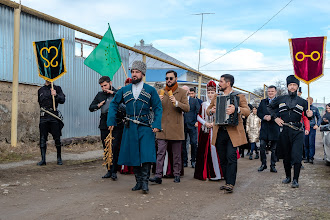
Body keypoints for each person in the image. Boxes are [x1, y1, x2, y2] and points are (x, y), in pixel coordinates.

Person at [107, 61, 162, 194]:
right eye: (132, 72)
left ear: (143, 73)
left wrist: (156, 124)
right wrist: (111, 121)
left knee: (146, 154)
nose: (134, 74)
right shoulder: (124, 90)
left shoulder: (151, 90)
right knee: (133, 154)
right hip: (130, 126)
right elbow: (114, 104)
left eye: (137, 72)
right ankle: (138, 182)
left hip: (145, 126)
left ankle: (145, 182)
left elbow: (157, 108)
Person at [206, 74, 250, 193]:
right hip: (220, 131)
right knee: (222, 158)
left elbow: (247, 111)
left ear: (228, 83)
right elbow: (208, 110)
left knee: (231, 157)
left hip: (233, 131)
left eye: (220, 82)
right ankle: (227, 181)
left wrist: (236, 109)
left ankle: (231, 183)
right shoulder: (217, 96)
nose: (218, 84)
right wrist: (212, 111)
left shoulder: (239, 96)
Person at [268, 75, 313, 188]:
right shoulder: (280, 99)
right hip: (285, 131)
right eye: (290, 85)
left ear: (297, 86)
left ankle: (295, 180)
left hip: (297, 131)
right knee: (286, 155)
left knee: (297, 156)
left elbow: (308, 116)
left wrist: (310, 115)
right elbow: (269, 107)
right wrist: (275, 118)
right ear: (287, 86)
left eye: (294, 85)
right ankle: (288, 177)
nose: (292, 87)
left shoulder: (303, 102)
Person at [149, 70, 189, 184]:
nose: (168, 80)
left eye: (171, 78)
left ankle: (177, 175)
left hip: (176, 128)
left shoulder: (181, 92)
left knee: (176, 154)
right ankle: (158, 176)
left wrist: (177, 103)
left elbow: (187, 108)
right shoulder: (160, 92)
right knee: (160, 153)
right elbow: (153, 109)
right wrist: (156, 102)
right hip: (162, 127)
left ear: (176, 79)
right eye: (167, 78)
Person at [89, 76, 125, 180]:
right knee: (106, 148)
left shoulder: (117, 92)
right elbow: (91, 107)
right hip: (104, 124)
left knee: (114, 148)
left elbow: (124, 100)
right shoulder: (100, 95)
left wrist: (113, 93)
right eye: (102, 86)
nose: (104, 88)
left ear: (110, 83)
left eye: (105, 85)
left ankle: (114, 171)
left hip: (117, 123)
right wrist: (98, 105)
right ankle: (108, 170)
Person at [194, 80, 222, 181]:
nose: (210, 95)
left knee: (216, 151)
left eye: (212, 92)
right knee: (204, 152)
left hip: (216, 130)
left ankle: (218, 173)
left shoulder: (220, 104)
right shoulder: (204, 104)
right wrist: (205, 123)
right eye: (209, 93)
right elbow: (198, 116)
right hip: (205, 131)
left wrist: (214, 124)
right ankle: (207, 173)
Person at [37, 80, 65, 166]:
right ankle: (43, 160)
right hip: (44, 116)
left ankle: (59, 158)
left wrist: (56, 95)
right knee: (42, 138)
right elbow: (40, 103)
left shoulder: (57, 88)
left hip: (54, 115)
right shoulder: (40, 90)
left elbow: (63, 100)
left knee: (57, 138)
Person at [257, 85, 279, 172]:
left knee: (274, 149)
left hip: (274, 127)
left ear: (275, 92)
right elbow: (259, 112)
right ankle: (263, 164)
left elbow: (280, 113)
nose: (270, 93)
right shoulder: (263, 102)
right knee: (262, 146)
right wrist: (264, 117)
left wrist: (272, 117)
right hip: (264, 128)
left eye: (272, 91)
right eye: (269, 91)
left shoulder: (278, 102)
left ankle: (273, 166)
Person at [183, 86, 201, 168]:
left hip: (192, 125)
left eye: (186, 90)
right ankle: (184, 161)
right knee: (183, 144)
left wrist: (197, 121)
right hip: (182, 125)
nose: (184, 91)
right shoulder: (179, 101)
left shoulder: (194, 101)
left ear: (188, 91)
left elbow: (198, 111)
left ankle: (193, 160)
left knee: (194, 143)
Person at [304, 97, 321, 164]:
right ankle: (306, 157)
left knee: (311, 143)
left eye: (309, 100)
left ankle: (311, 157)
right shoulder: (304, 109)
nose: (308, 102)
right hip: (305, 128)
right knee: (305, 143)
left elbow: (319, 117)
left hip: (312, 127)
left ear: (312, 101)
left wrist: (317, 125)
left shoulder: (315, 109)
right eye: (307, 100)